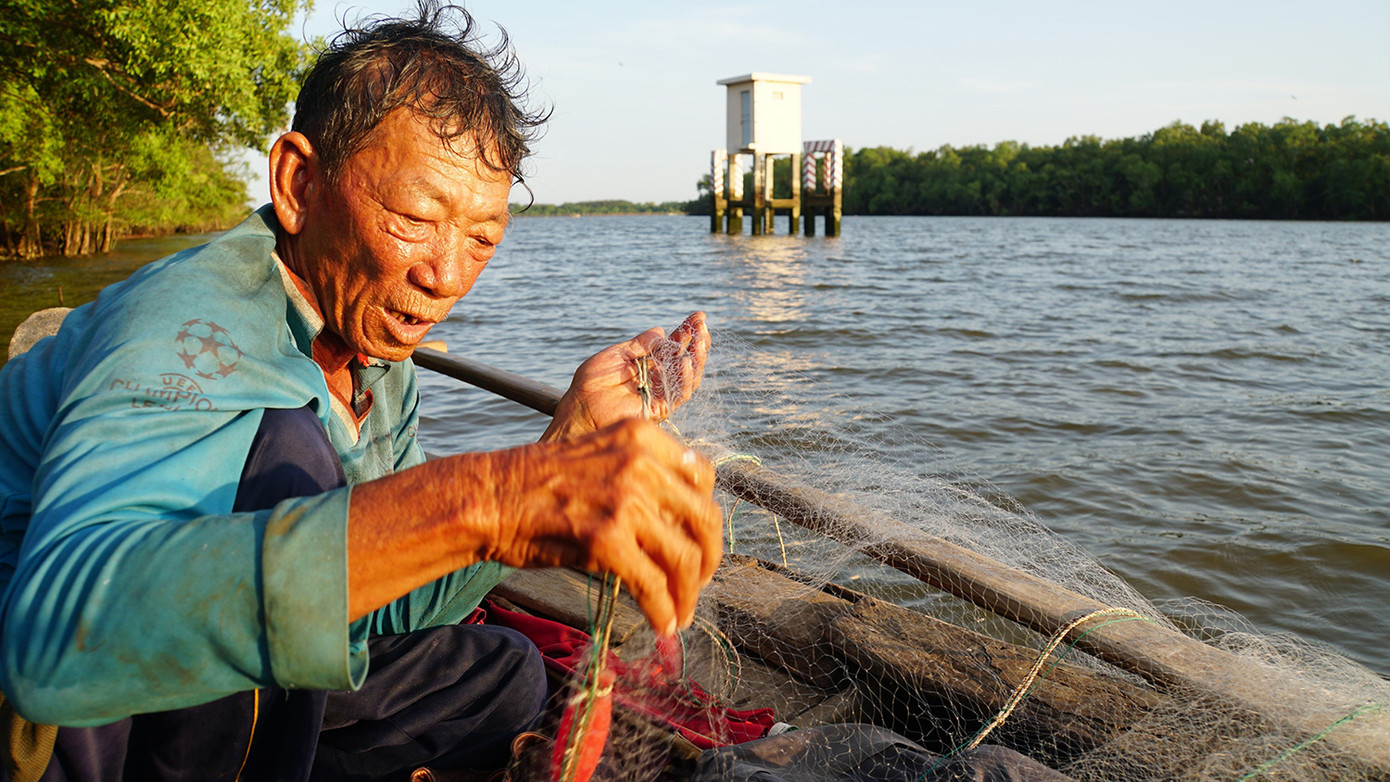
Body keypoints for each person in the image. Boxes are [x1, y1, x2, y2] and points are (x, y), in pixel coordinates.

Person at [0, 4, 722, 781]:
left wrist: (566, 440)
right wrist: (487, 500)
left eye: (481, 237)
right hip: (53, 723)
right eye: (414, 217)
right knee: (292, 459)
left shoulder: (375, 353)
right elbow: (51, 639)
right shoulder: (189, 325)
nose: (445, 277)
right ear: (298, 183)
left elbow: (384, 604)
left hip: (212, 665)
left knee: (506, 673)